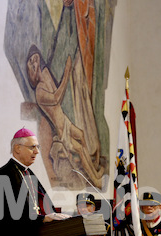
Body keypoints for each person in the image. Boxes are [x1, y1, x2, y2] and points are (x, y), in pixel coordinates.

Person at [26, 45, 104, 187]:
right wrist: (67, 71)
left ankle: (92, 170)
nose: (33, 63)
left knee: (81, 135)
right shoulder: (39, 91)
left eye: (35, 59)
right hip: (61, 129)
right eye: (31, 62)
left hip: (65, 120)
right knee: (79, 149)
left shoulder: (45, 78)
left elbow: (53, 87)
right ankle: (96, 180)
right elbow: (57, 99)